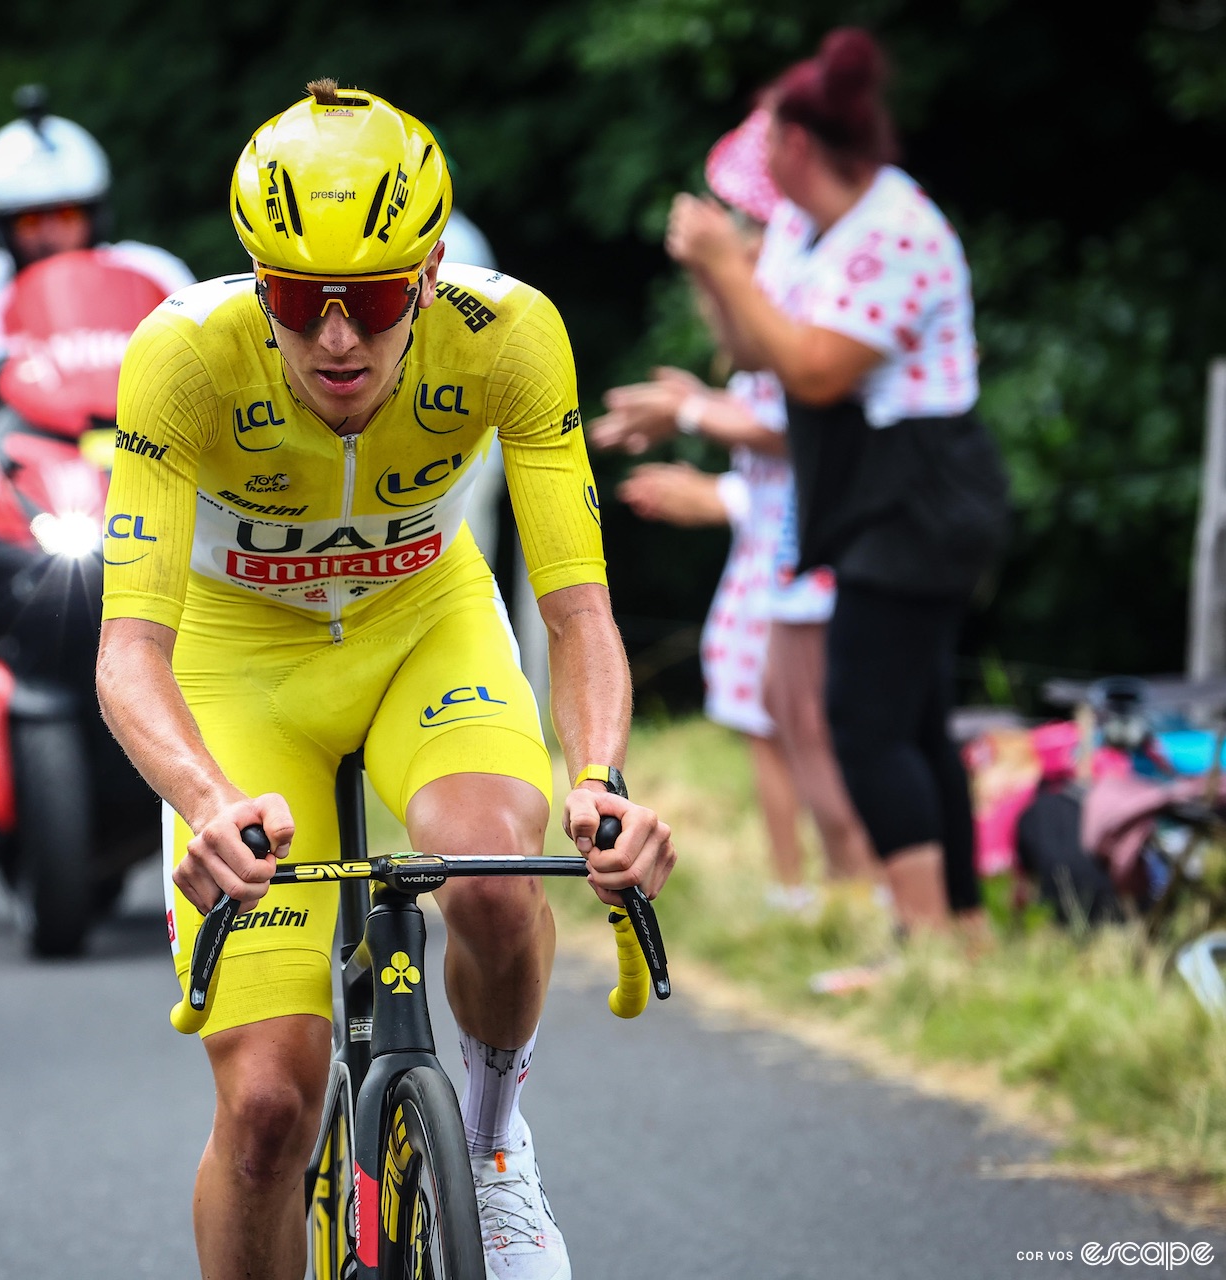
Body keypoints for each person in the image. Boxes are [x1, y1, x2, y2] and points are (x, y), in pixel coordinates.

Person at [95, 79, 675, 1280]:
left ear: (427, 275)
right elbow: (129, 652)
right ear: (262, 287)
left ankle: (495, 1144)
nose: (339, 339)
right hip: (240, 662)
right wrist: (206, 800)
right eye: (302, 302)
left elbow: (578, 612)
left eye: (370, 298)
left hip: (424, 628)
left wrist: (602, 780)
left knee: (494, 882)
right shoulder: (181, 359)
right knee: (265, 1107)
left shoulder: (510, 333)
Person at [667, 29, 1008, 933]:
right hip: (871, 495)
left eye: (766, 136)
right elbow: (755, 351)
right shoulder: (813, 231)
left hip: (920, 494)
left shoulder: (895, 231)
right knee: (918, 724)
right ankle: (957, 938)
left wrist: (729, 268)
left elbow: (814, 372)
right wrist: (721, 276)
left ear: (798, 146)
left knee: (862, 724)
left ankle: (925, 937)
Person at [594, 110, 879, 905]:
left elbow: (801, 425)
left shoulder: (802, 301)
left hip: (807, 541)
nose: (740, 228)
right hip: (782, 539)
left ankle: (845, 888)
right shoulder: (776, 299)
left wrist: (689, 420)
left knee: (807, 722)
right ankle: (810, 887)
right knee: (776, 710)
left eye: (749, 216)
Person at [0, 86, 194, 420]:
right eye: (31, 220)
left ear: (94, 215)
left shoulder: (153, 273)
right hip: (13, 461)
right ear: (3, 226)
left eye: (67, 215)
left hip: (147, 451)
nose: (50, 233)